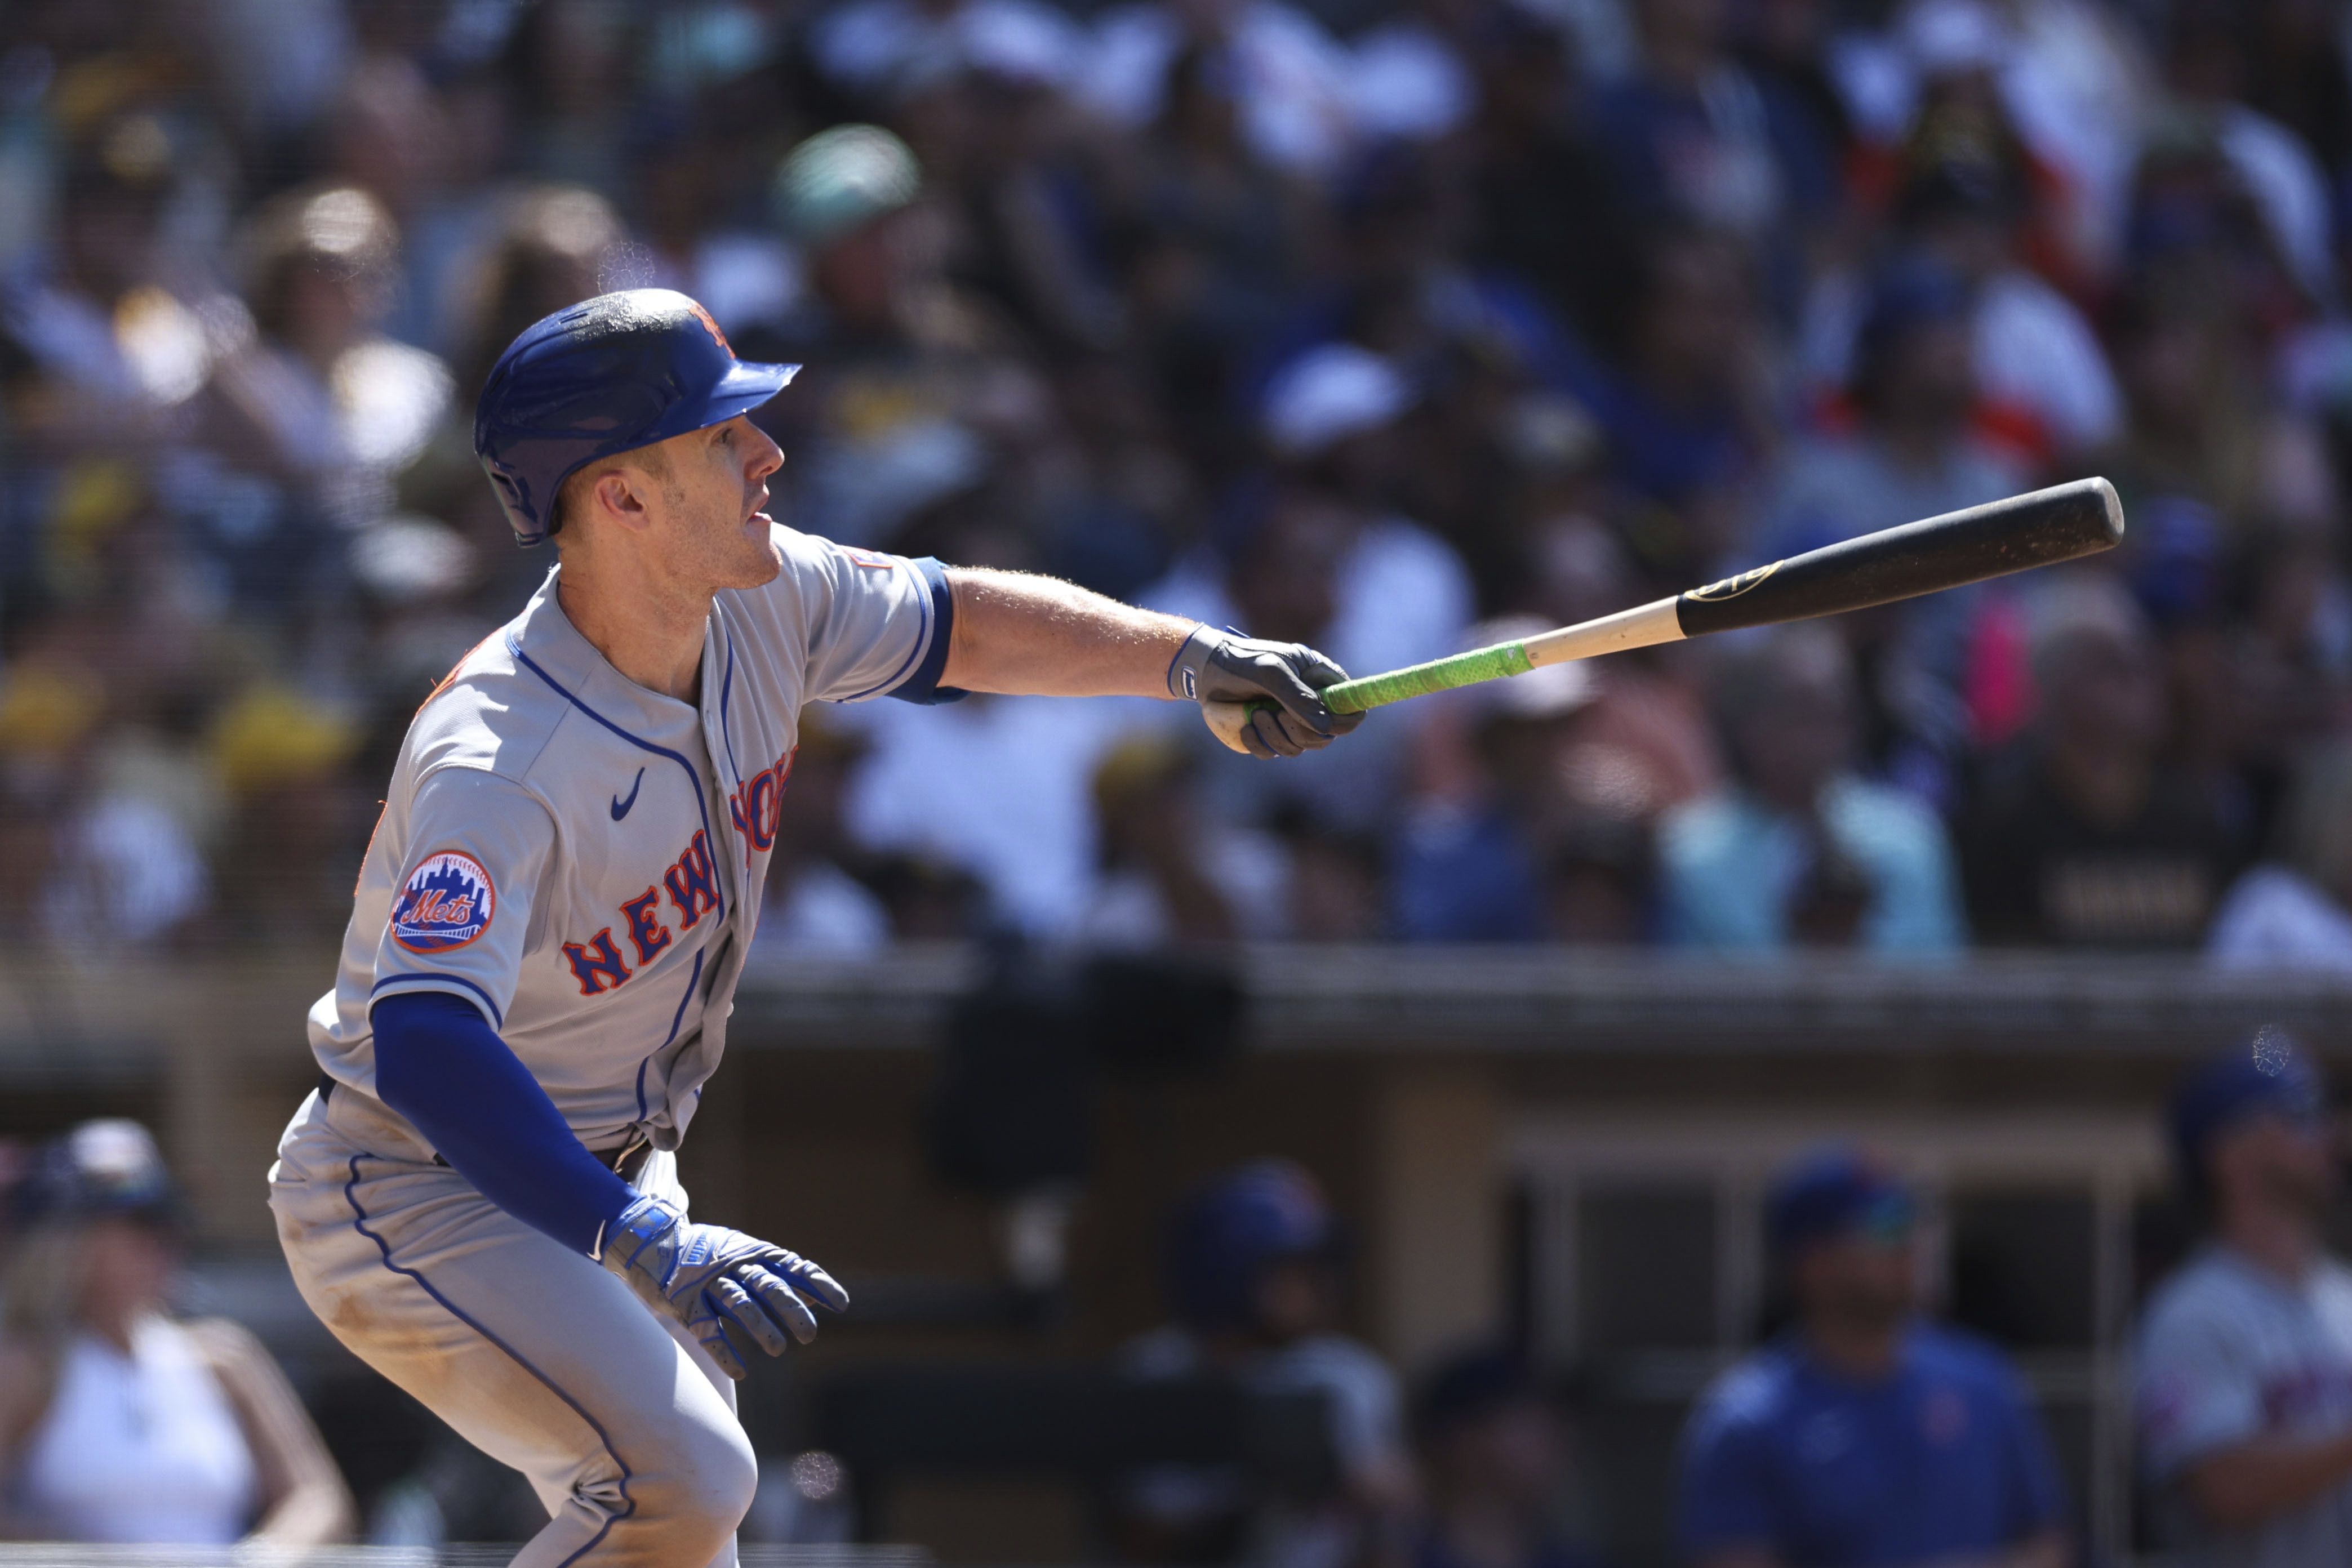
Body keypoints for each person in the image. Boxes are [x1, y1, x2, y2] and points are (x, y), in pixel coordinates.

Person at [264, 287, 1364, 1566]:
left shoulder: (765, 599)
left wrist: (1191, 658)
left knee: (690, 1530)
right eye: (724, 435)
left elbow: (961, 619)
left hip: (603, 1173)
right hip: (414, 1180)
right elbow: (427, 1046)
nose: (768, 453)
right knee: (681, 1473)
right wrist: (637, 1233)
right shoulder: (498, 756)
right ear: (619, 497)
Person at [1676, 1146, 2069, 1568]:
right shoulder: (1749, 1421)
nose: (1906, 1247)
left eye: (1909, 1225)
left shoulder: (1982, 1383)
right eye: (1883, 1228)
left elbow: (2048, 1541)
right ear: (1815, 1263)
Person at [0, 1120, 352, 1545]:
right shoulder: (28, 1366)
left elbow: (317, 1497)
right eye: (139, 1220)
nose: (164, 1238)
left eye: (168, 1215)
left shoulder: (224, 1358)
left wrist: (261, 1560)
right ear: (67, 1237)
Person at [1118, 1160, 1415, 1568]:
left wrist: (1372, 1493)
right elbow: (1144, 1541)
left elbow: (1386, 1533)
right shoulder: (1152, 1373)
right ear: (1229, 1270)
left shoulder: (1347, 1375)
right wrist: (1269, 1479)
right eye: (1297, 1271)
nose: (1321, 1288)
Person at [2135, 1031, 2352, 1566]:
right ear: (2227, 1155)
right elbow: (2221, 1487)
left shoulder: (2343, 1297)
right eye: (2296, 1117)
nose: (2325, 1135)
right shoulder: (2191, 1314)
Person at [1657, 625, 1963, 954]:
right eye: (1798, 709)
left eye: (1834, 709)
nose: (1819, 730)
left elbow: (1939, 978)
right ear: (1749, 721)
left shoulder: (1910, 841)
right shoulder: (1692, 854)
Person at [1412, 1345, 1607, 1568]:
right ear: (1463, 1439)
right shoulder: (1397, 1557)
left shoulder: (1575, 1561)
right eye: (1533, 1421)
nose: (1558, 1439)